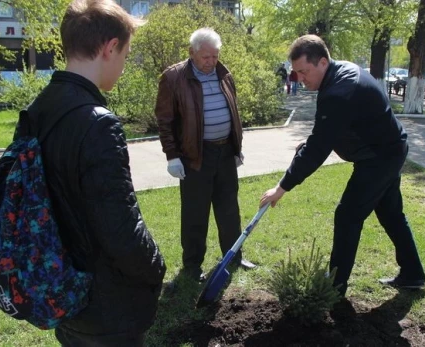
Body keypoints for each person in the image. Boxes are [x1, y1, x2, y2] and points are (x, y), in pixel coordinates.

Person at [21, 0, 166, 345]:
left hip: (60, 288)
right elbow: (119, 229)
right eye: (126, 55)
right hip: (106, 306)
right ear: (110, 47)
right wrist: (155, 267)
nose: (124, 65)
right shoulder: (99, 123)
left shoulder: (38, 109)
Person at [260, 35, 425, 302]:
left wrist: (282, 188)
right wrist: (313, 143)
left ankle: (335, 288)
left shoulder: (338, 91)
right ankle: (413, 274)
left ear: (322, 62)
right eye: (296, 73)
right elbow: (332, 129)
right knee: (391, 214)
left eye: (304, 71)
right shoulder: (339, 74)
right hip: (387, 149)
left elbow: (318, 148)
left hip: (380, 157)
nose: (300, 78)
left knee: (348, 215)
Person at [155, 28, 255, 283]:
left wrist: (236, 146)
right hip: (194, 155)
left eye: (215, 56)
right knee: (195, 213)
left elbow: (233, 112)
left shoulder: (224, 74)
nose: (211, 62)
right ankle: (192, 265)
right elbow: (165, 121)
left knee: (229, 208)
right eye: (206, 57)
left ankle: (233, 256)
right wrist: (172, 156)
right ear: (191, 53)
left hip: (224, 153)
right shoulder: (173, 78)